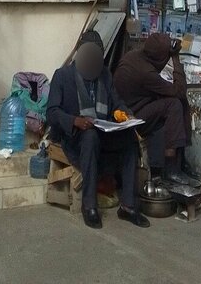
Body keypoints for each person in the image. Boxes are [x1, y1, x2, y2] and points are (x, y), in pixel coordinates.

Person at [47, 30, 150, 230]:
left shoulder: (104, 75)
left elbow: (116, 102)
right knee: (90, 136)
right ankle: (89, 206)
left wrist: (125, 115)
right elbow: (52, 112)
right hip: (75, 136)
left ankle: (128, 206)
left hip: (102, 132)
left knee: (129, 138)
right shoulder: (63, 76)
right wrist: (75, 121)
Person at [113, 33, 199, 187]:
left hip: (138, 105)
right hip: (131, 118)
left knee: (180, 102)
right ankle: (171, 169)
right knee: (174, 104)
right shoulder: (145, 72)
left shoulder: (134, 56)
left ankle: (180, 160)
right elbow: (180, 90)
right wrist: (175, 58)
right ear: (160, 58)